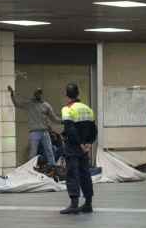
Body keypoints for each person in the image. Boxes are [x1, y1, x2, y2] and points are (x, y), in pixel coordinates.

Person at [59, 83, 97, 215]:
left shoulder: (67, 109)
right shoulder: (87, 108)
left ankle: (74, 204)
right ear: (78, 94)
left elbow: (70, 129)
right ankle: (88, 203)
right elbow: (93, 129)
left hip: (73, 146)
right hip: (84, 147)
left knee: (72, 174)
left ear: (67, 95)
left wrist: (80, 143)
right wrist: (89, 143)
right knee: (85, 174)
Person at [8, 85, 60, 167]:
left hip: (45, 132)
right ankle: (31, 168)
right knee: (33, 153)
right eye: (37, 93)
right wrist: (12, 94)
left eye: (40, 93)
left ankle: (52, 167)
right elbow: (17, 104)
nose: (38, 95)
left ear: (41, 94)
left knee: (49, 150)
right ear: (34, 94)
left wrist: (64, 121)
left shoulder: (46, 105)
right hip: (34, 132)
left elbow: (54, 118)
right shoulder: (30, 104)